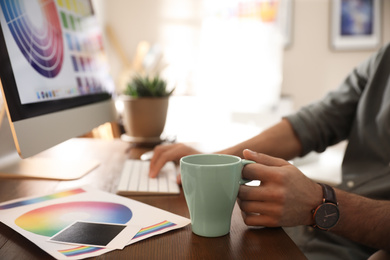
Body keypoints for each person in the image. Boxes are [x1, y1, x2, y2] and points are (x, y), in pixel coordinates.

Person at [148, 43, 390, 260]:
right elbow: (313, 123)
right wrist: (217, 160)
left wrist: (321, 204)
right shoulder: (383, 60)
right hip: (289, 233)